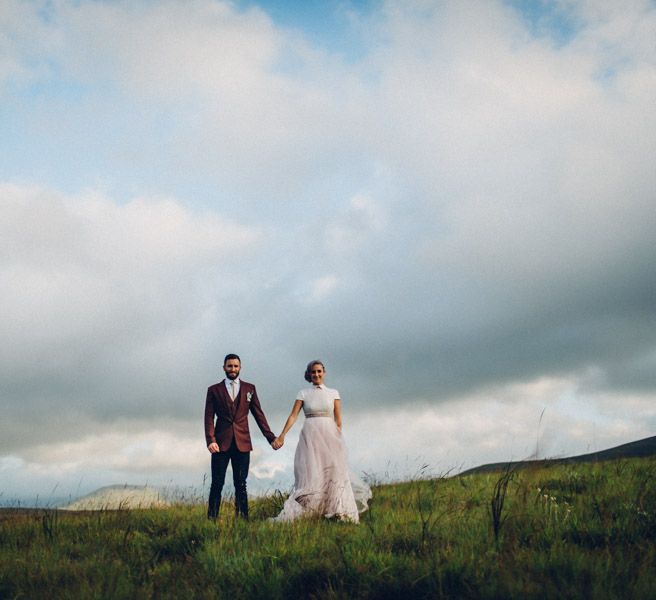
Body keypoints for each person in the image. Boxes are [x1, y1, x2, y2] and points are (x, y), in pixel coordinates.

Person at [271, 360, 371, 522]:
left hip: (329, 436)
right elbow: (293, 416)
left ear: (323, 373)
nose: (316, 375)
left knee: (334, 471)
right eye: (313, 372)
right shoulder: (303, 393)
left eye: (319, 371)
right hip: (310, 437)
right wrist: (282, 435)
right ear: (309, 375)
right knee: (312, 472)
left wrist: (337, 438)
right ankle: (311, 510)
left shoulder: (333, 393)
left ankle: (339, 510)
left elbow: (338, 420)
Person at [204, 353, 277, 520]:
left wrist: (270, 437)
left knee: (241, 485)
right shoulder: (214, 390)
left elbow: (259, 414)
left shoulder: (249, 389)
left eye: (235, 366)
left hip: (243, 443)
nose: (232, 369)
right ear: (224, 367)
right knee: (217, 484)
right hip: (220, 443)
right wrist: (211, 440)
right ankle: (211, 520)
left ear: (240, 367)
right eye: (229, 366)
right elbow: (208, 417)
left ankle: (243, 520)